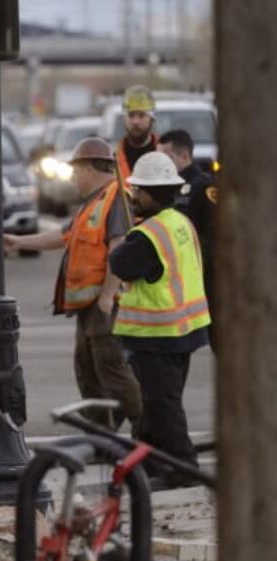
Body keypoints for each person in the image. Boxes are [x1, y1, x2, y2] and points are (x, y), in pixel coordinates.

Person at [3, 137, 142, 430]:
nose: (74, 178)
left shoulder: (115, 198)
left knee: (112, 371)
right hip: (87, 307)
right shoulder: (92, 202)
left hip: (105, 306)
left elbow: (119, 247)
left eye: (75, 171)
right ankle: (102, 433)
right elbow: (62, 236)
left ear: (90, 169)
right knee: (88, 371)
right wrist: (19, 241)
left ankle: (149, 427)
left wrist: (108, 295)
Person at [108, 151, 211, 484]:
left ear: (152, 193)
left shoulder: (148, 234)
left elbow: (120, 264)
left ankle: (185, 470)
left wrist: (127, 239)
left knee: (163, 406)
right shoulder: (180, 223)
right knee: (156, 406)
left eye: (138, 190)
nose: (134, 196)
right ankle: (150, 466)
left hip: (157, 334)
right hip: (184, 330)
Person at [158, 129, 218, 350]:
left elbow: (216, 233)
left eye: (168, 158)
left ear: (184, 157)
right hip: (180, 277)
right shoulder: (166, 188)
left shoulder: (203, 187)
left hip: (207, 276)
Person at [115, 85, 160, 180]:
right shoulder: (113, 157)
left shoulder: (165, 154)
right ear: (124, 119)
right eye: (131, 115)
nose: (136, 121)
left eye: (141, 115)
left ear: (151, 119)